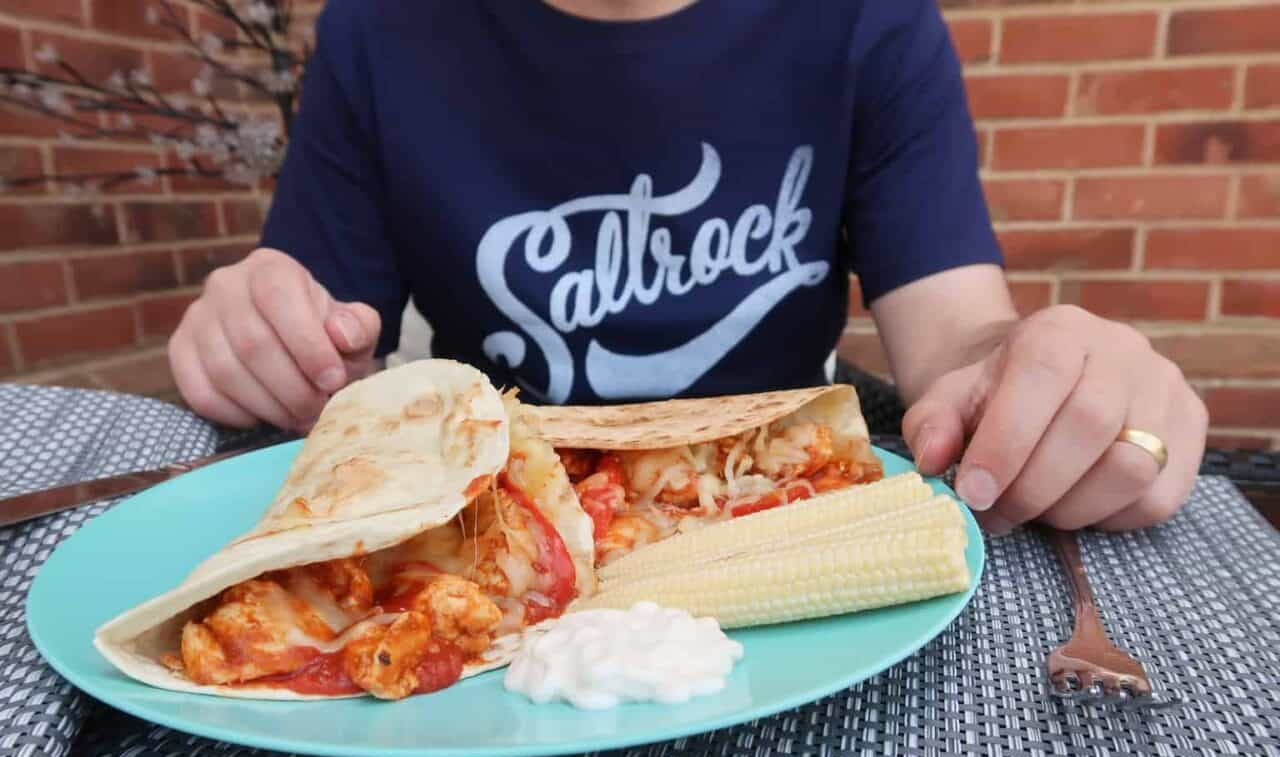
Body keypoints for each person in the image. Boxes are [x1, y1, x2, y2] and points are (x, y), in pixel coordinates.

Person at [167, 0, 1207, 535]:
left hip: (778, 511)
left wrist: (1043, 378)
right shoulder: (377, 30)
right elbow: (316, 343)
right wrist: (258, 329)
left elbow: (956, 345)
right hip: (500, 530)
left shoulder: (865, 23)